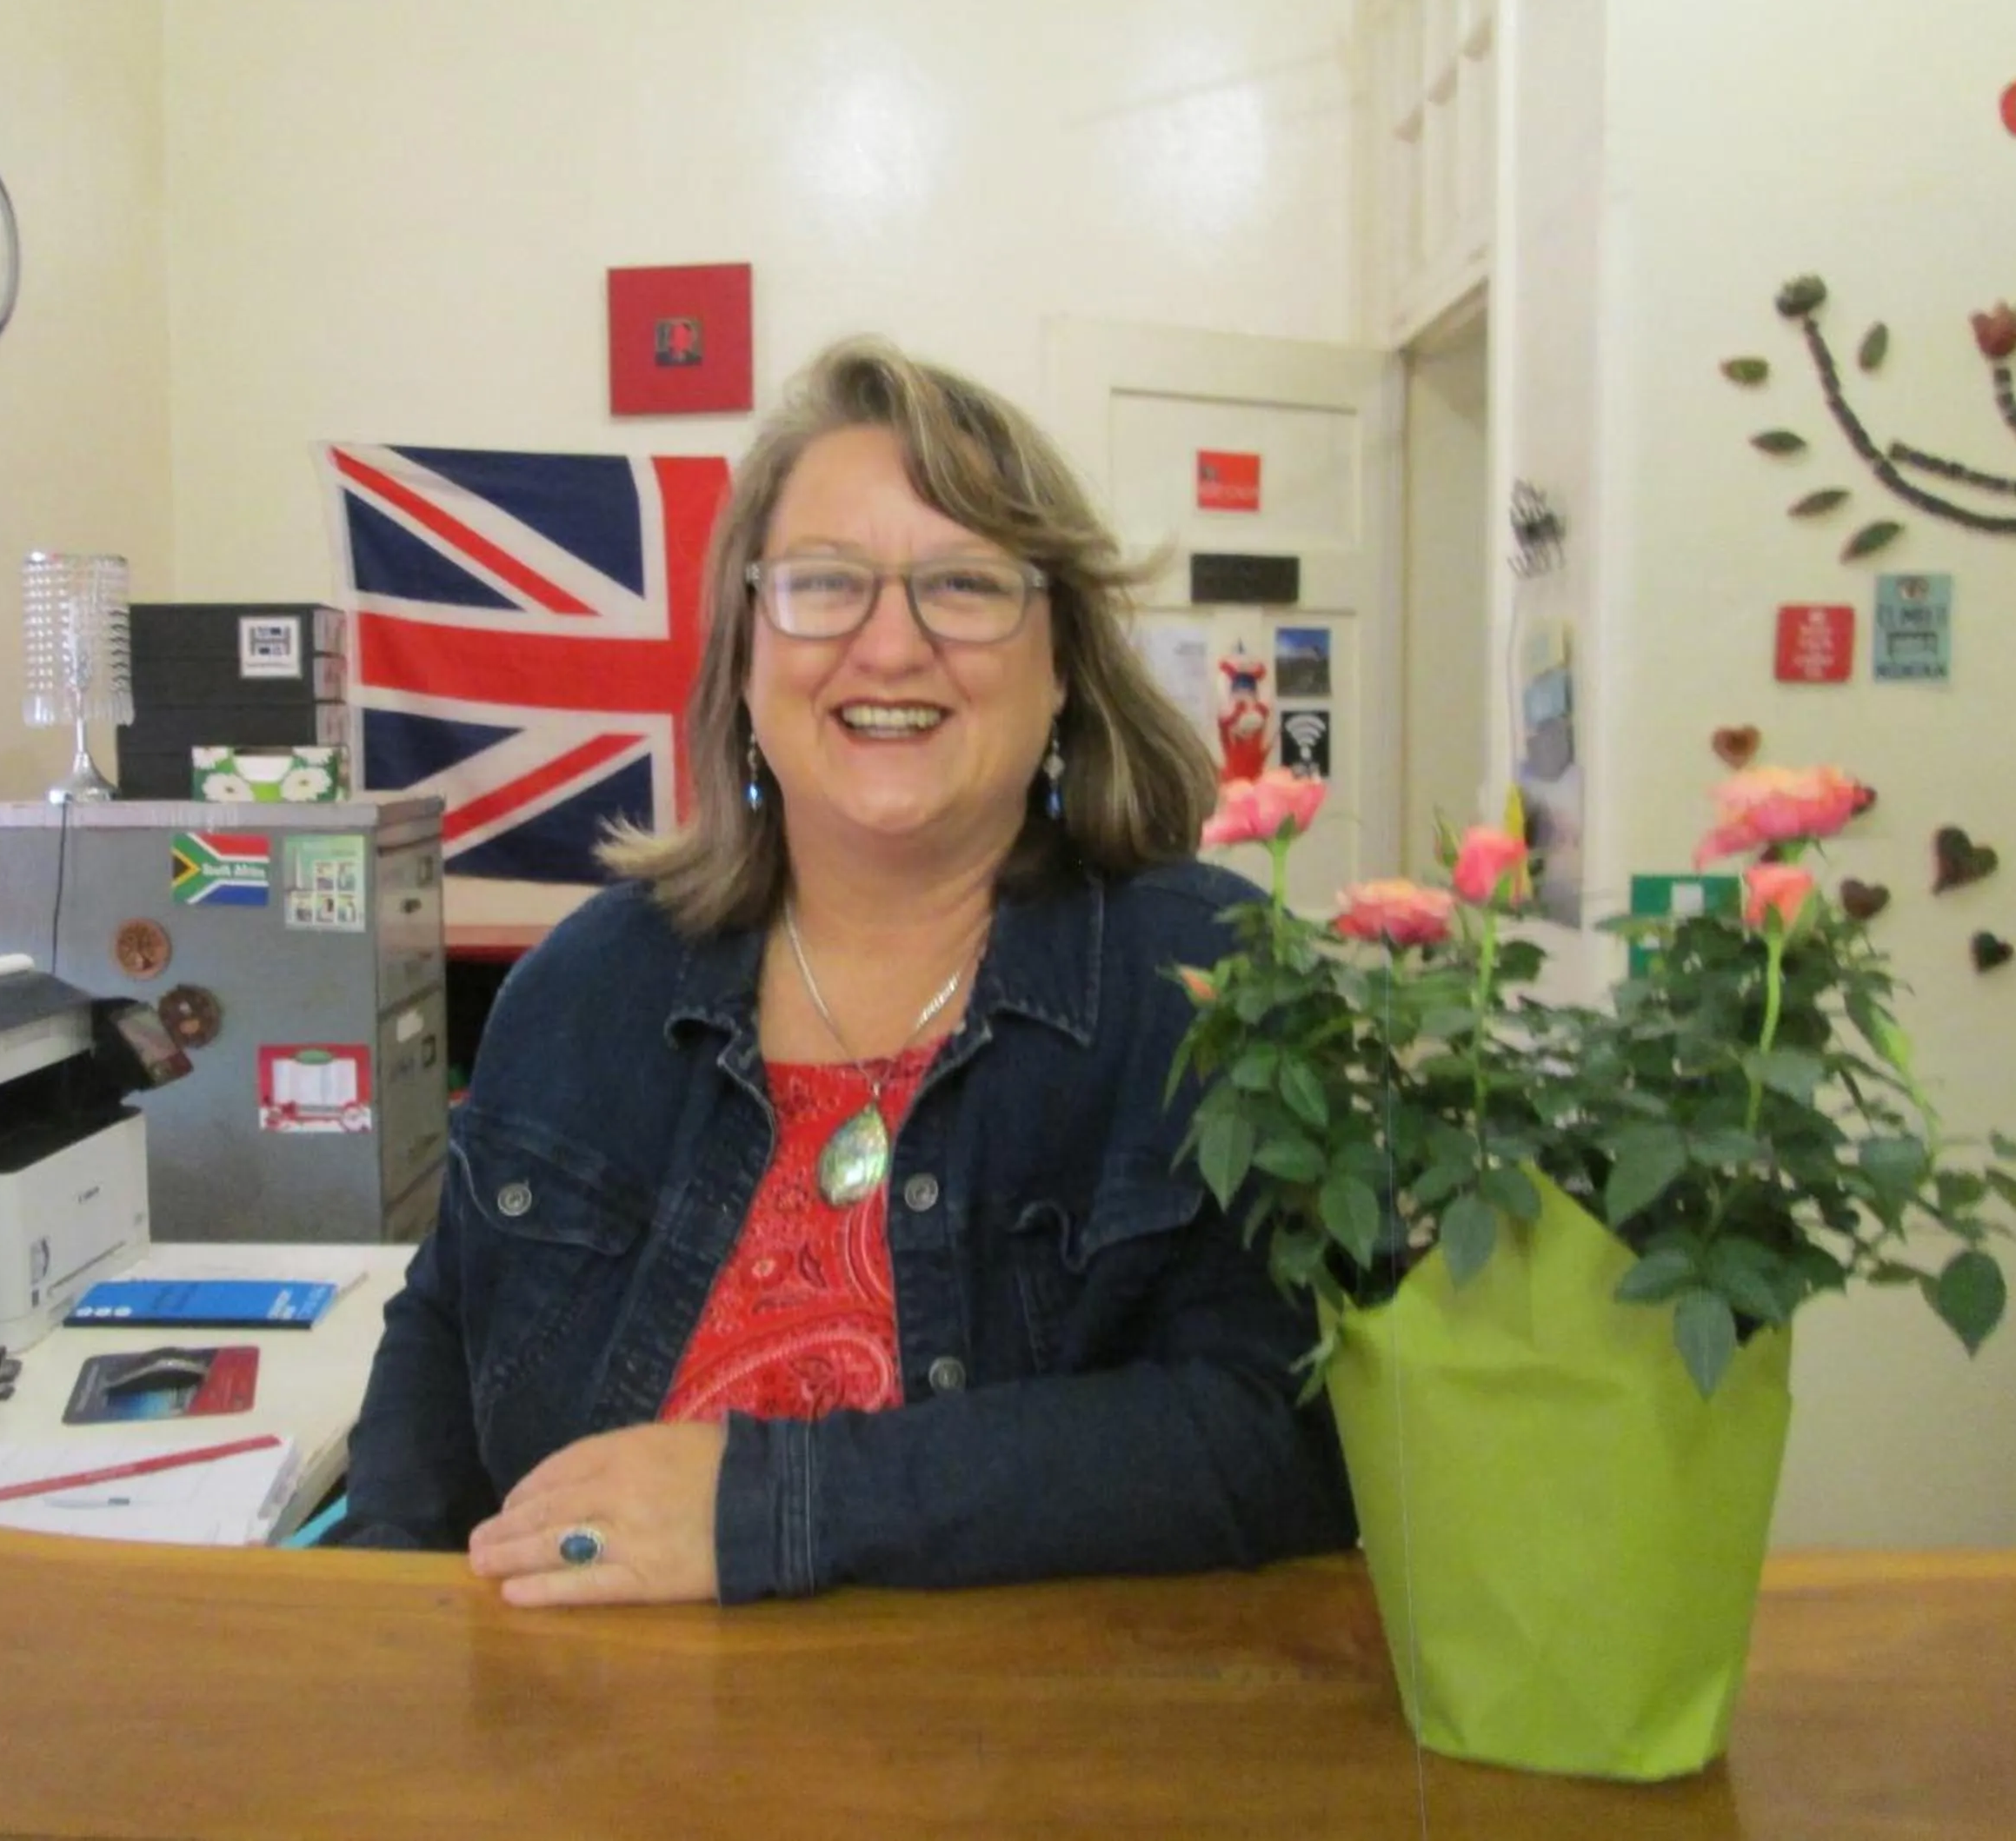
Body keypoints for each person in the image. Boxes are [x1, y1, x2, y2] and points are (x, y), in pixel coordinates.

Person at [329, 338, 1352, 1605]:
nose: (890, 646)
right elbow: (443, 1332)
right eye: (824, 585)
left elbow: (1293, 1433)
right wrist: (384, 1616)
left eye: (964, 584)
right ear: (745, 657)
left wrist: (776, 1505)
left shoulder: (1211, 983)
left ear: (1063, 664)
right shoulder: (584, 985)